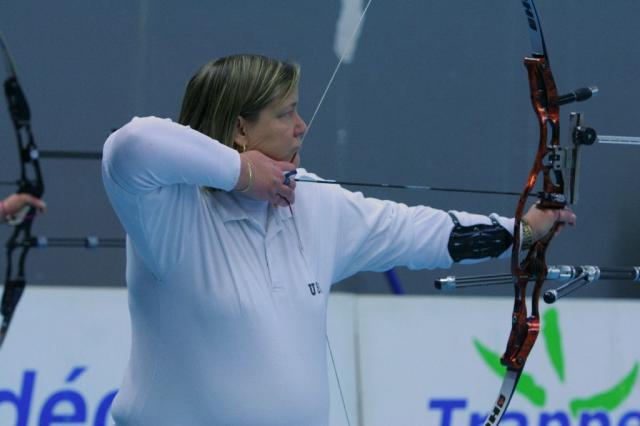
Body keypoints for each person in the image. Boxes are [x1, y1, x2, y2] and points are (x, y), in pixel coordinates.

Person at [101, 54, 575, 426]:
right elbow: (132, 145)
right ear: (240, 129)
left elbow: (415, 231)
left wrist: (522, 231)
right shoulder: (172, 210)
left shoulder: (311, 203)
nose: (302, 126)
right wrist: (242, 173)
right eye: (286, 113)